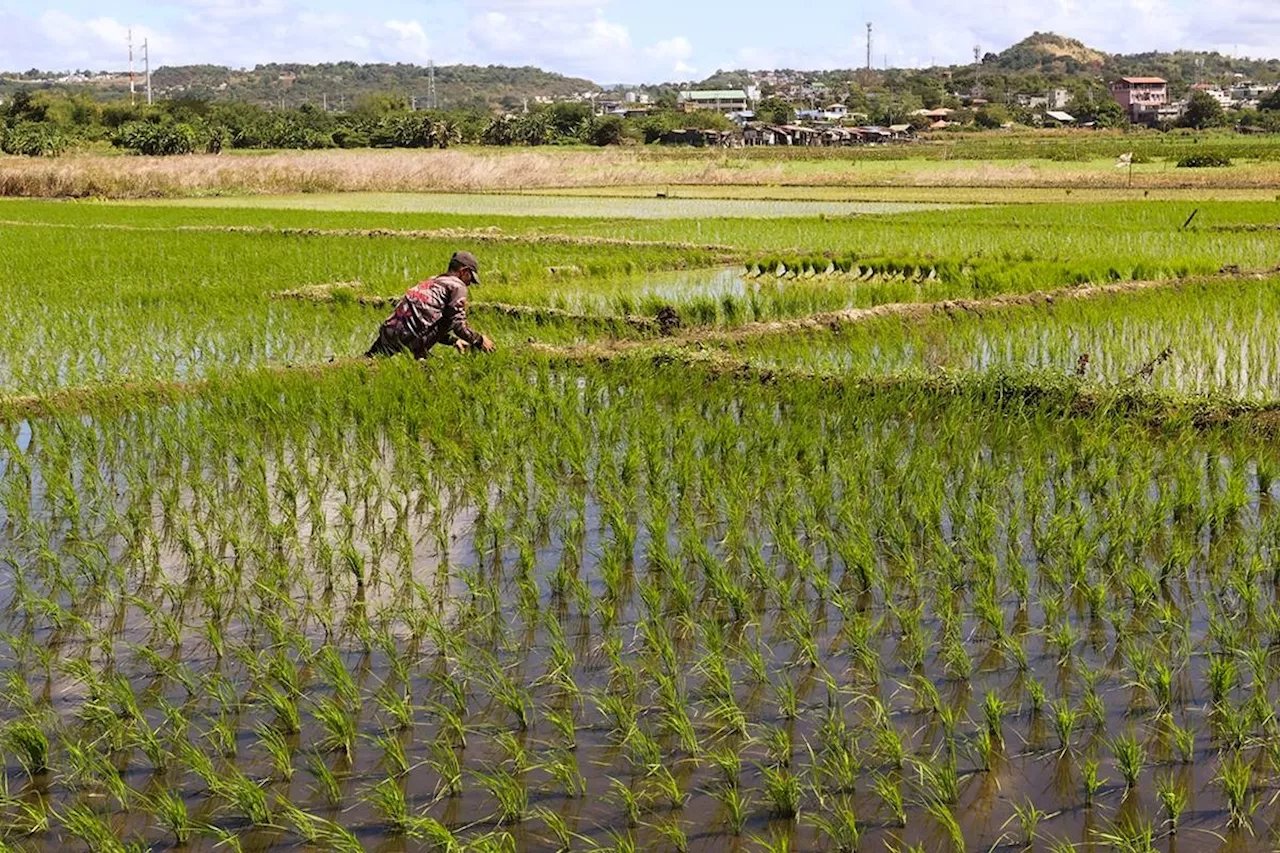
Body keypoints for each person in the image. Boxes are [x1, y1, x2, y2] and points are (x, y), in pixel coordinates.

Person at [366, 251, 496, 359]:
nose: (469, 283)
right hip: (409, 337)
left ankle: (357, 364)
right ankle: (421, 357)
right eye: (470, 278)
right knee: (450, 316)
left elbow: (423, 320)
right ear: (463, 271)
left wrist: (454, 341)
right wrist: (479, 340)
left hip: (389, 331)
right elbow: (457, 324)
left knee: (371, 359)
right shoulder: (457, 285)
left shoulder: (433, 281)